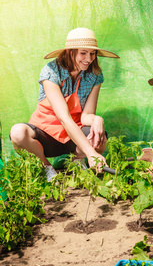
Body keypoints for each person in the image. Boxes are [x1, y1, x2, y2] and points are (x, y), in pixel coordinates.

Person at [10, 27, 120, 181]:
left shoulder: (94, 75)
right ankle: (46, 167)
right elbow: (64, 118)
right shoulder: (51, 72)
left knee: (99, 139)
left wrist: (97, 120)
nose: (89, 59)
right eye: (83, 53)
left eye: (92, 53)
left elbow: (86, 116)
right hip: (45, 134)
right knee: (17, 132)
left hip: (73, 136)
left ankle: (76, 162)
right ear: (70, 52)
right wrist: (91, 153)